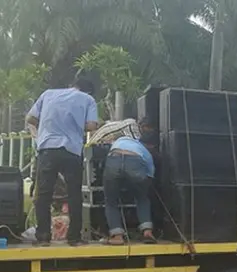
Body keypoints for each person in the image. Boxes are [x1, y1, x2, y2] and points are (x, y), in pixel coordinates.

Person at [26, 77, 99, 245]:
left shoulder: (47, 94)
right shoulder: (88, 99)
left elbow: (30, 118)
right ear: (88, 91)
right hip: (71, 150)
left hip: (47, 149)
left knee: (43, 194)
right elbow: (91, 126)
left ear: (71, 86)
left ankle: (43, 236)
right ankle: (74, 237)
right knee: (74, 194)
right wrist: (74, 123)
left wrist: (46, 126)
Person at [103, 117, 159, 245]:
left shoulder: (117, 142)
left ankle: (117, 236)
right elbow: (150, 174)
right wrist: (144, 188)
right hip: (135, 161)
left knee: (111, 200)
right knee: (142, 198)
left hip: (114, 157)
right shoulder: (143, 149)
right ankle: (147, 232)